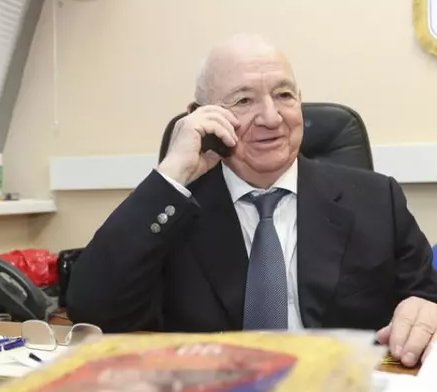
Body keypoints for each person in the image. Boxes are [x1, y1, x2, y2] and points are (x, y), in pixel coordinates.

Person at [66, 34, 437, 368]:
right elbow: (93, 309)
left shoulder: (376, 199)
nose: (272, 118)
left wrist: (426, 308)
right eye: (244, 100)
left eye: (284, 95)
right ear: (200, 116)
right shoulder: (172, 210)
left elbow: (426, 294)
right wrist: (173, 173)